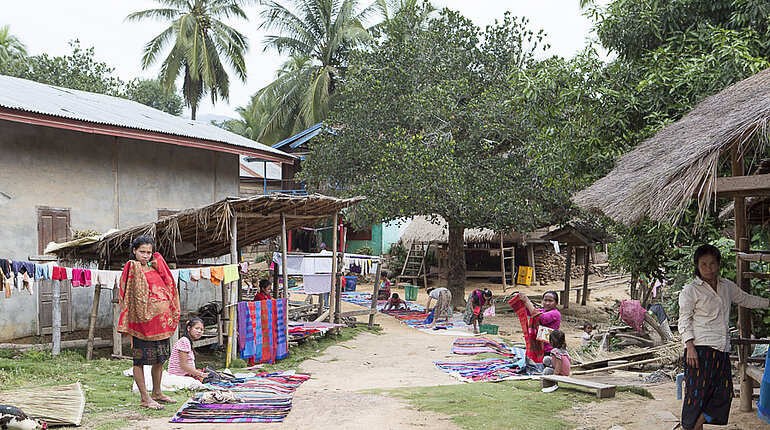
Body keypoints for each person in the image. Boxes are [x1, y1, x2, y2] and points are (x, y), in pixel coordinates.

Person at [678, 244, 770, 430]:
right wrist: (689, 347)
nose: (708, 268)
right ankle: (693, 425)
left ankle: (693, 425)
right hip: (700, 350)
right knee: (697, 398)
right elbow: (684, 321)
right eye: (703, 264)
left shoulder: (726, 286)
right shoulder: (691, 290)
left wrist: (768, 302)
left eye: (712, 263)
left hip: (721, 349)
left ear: (718, 264)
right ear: (697, 265)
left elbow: (746, 299)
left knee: (724, 394)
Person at [118, 235, 181, 410]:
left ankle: (157, 393)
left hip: (160, 324)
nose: (145, 255)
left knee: (160, 359)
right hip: (142, 324)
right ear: (134, 251)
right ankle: (145, 398)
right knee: (140, 361)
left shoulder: (154, 268)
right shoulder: (132, 268)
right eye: (142, 252)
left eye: (149, 252)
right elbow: (127, 293)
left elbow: (168, 284)